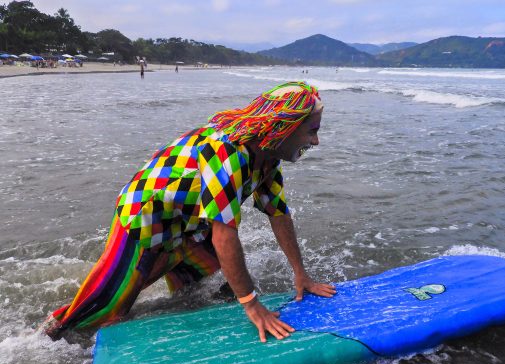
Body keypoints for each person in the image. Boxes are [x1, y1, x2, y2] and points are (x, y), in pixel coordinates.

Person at [44, 81, 336, 343]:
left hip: (189, 223)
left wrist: (302, 275)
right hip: (146, 218)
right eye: (312, 131)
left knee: (192, 290)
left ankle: (174, 324)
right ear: (284, 128)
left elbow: (278, 214)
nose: (316, 141)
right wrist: (252, 305)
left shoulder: (267, 157)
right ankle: (49, 338)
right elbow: (224, 235)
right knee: (106, 308)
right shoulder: (229, 152)